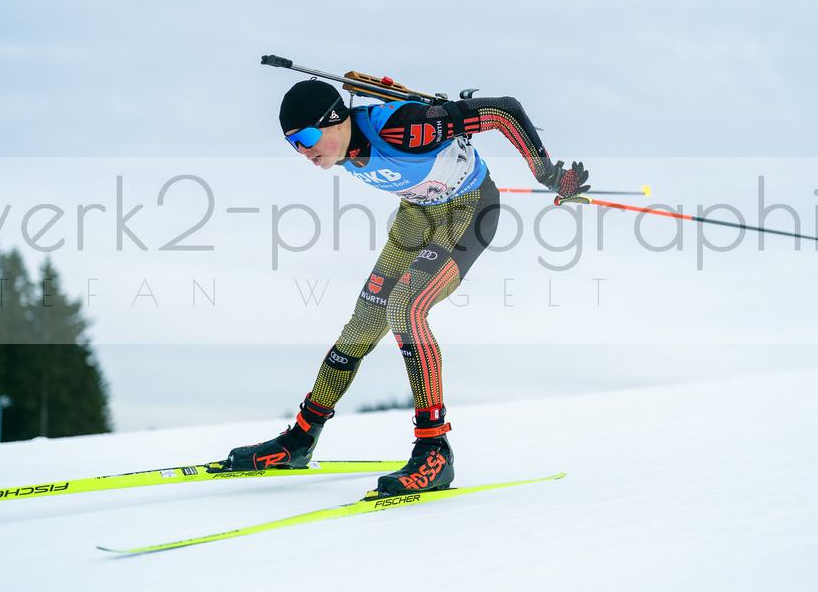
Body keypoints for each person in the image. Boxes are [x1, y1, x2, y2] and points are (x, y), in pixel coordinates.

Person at [225, 79, 589, 496]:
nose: (305, 152)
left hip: (470, 210)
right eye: (294, 144)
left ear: (335, 120)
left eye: (307, 137)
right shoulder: (341, 146)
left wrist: (548, 173)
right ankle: (300, 439)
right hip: (418, 214)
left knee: (405, 307)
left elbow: (505, 109)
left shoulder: (405, 128)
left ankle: (435, 450)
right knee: (362, 324)